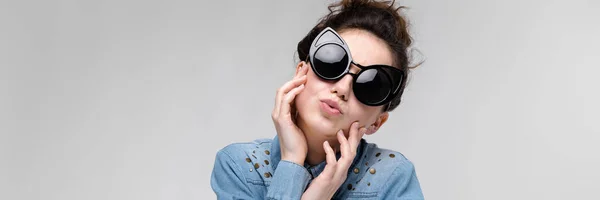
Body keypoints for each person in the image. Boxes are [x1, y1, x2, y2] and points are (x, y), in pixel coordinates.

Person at [210, 0, 424, 199]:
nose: (342, 88)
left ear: (377, 122)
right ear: (300, 73)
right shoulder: (239, 166)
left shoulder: (393, 177)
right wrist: (292, 162)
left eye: (371, 84)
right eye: (331, 63)